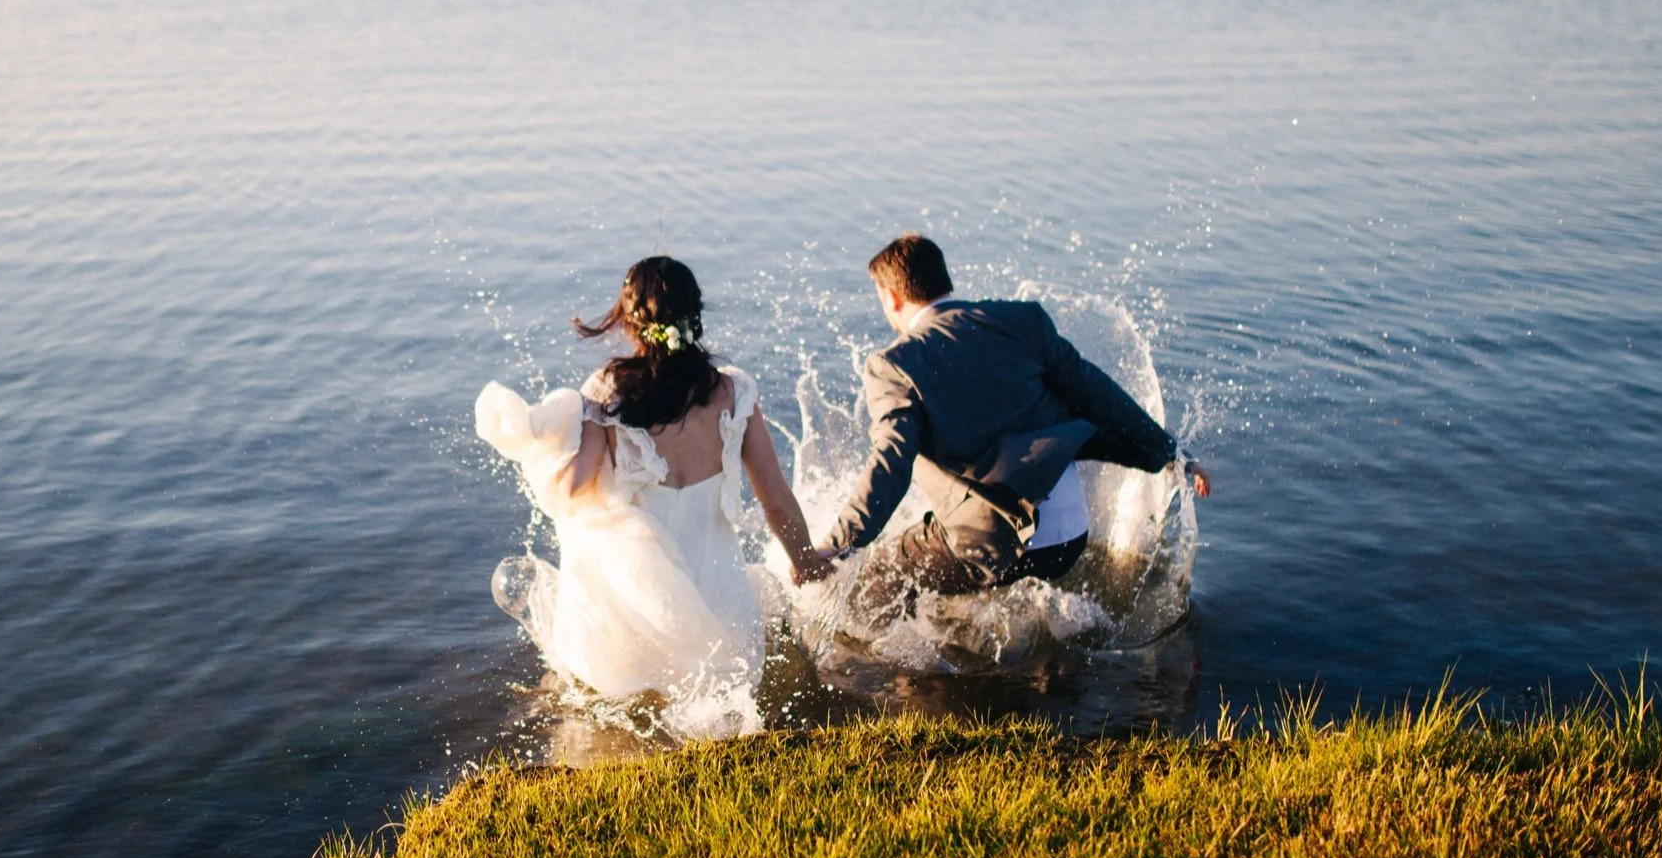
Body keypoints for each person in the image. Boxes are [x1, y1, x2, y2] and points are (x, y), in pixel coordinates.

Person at [793, 234, 1210, 621]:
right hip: (1068, 539)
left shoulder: (895, 365)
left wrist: (839, 542)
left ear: (893, 296)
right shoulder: (1022, 321)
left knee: (878, 577)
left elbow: (891, 460)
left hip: (994, 545)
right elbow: (1096, 391)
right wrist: (1172, 453)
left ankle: (903, 684)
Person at [476, 257, 821, 698]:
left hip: (644, 607)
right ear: (694, 315)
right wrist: (805, 560)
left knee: (636, 698)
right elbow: (776, 500)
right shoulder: (735, 393)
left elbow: (575, 487)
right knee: (722, 692)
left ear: (630, 323)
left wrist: (545, 444)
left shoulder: (608, 393)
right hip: (722, 599)